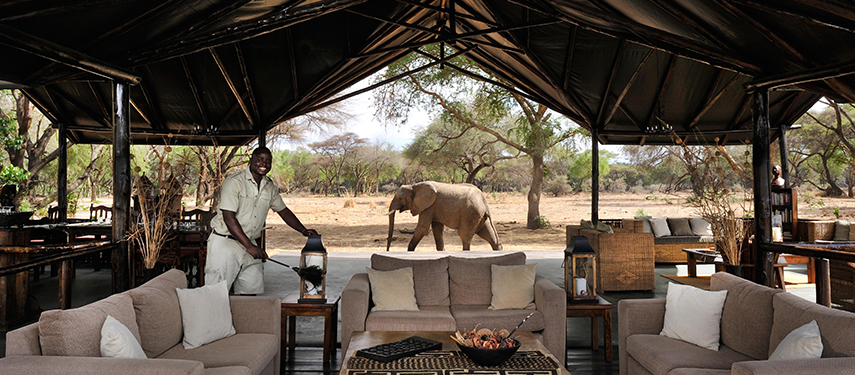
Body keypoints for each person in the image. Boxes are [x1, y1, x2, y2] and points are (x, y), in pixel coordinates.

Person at [205, 147, 317, 294]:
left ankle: (245, 317)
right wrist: (250, 247)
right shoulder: (234, 182)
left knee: (251, 290)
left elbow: (283, 211)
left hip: (249, 242)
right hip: (225, 242)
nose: (264, 163)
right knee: (216, 293)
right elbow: (229, 217)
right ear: (251, 160)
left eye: (268, 161)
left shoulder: (269, 186)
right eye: (260, 159)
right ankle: (212, 318)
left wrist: (303, 230)